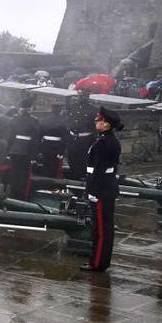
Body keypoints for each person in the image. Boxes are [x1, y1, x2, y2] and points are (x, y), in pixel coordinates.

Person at [83, 107, 123, 271]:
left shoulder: (104, 143)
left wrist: (92, 191)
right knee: (104, 227)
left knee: (100, 228)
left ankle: (98, 262)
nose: (96, 122)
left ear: (106, 124)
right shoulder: (107, 140)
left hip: (101, 188)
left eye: (99, 120)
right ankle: (100, 261)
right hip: (106, 186)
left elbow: (99, 169)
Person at [4, 95, 40, 200]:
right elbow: (35, 140)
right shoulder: (34, 121)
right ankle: (21, 196)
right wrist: (34, 156)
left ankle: (13, 195)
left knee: (14, 174)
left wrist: (8, 152)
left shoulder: (14, 119)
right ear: (30, 108)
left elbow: (10, 138)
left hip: (15, 150)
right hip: (27, 151)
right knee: (24, 176)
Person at [65, 88, 97, 179]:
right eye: (79, 96)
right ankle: (74, 176)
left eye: (82, 96)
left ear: (87, 97)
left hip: (85, 139)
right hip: (72, 137)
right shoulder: (72, 107)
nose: (79, 98)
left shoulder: (93, 110)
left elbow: (95, 126)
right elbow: (69, 121)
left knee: (83, 159)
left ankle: (84, 177)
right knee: (72, 157)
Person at [36, 103, 68, 178]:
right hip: (57, 147)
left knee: (46, 165)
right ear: (60, 110)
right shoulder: (64, 121)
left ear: (52, 109)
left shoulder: (44, 119)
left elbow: (39, 135)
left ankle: (45, 181)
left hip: (46, 145)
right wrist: (62, 151)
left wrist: (39, 148)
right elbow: (65, 138)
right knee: (54, 167)